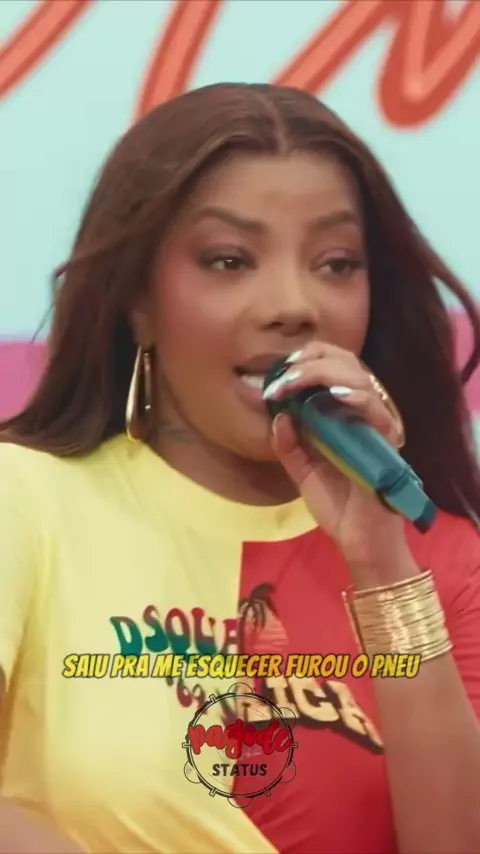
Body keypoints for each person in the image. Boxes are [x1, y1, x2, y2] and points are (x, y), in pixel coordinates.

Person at [1, 82, 480, 854]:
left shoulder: (444, 560)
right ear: (138, 300)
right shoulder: (25, 501)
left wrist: (382, 563)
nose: (293, 304)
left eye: (336, 263)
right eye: (229, 260)